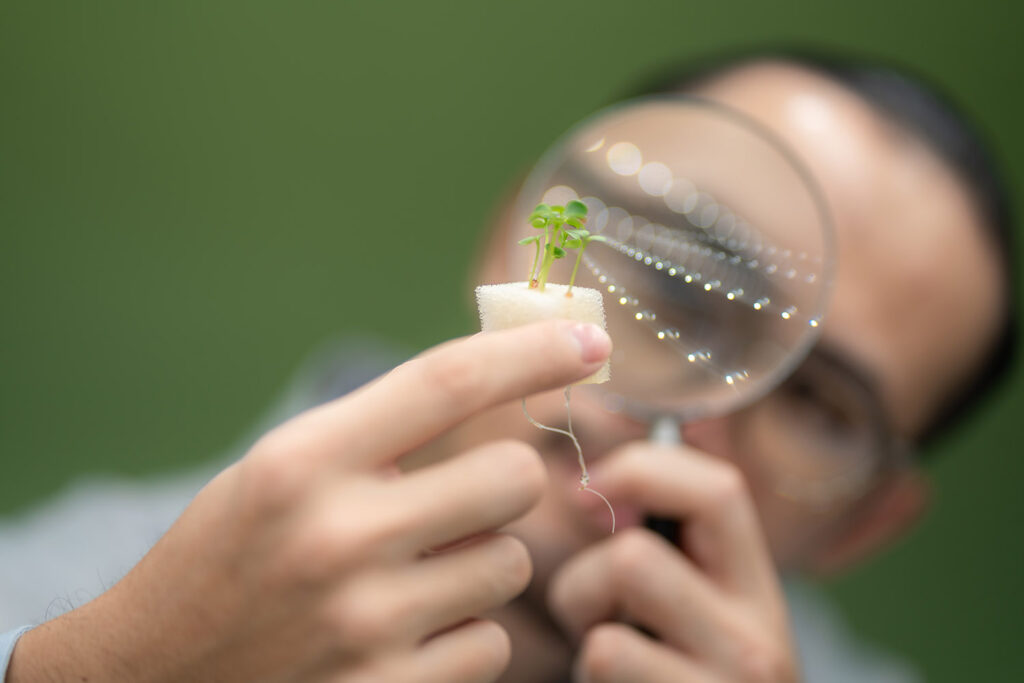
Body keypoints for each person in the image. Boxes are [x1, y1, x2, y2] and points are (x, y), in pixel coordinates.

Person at [0, 50, 1015, 682]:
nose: (699, 415)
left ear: (862, 523)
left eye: (815, 401)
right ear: (518, 237)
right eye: (669, 282)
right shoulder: (57, 602)